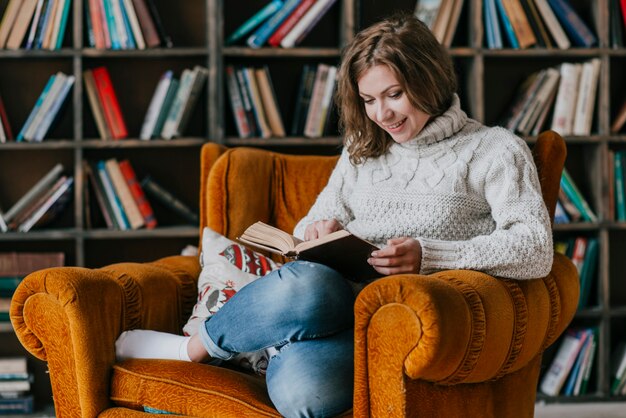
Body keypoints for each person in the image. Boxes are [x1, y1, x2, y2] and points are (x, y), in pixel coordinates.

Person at [115, 12, 553, 418]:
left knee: (302, 394)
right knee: (306, 284)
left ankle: (258, 344)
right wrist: (318, 231)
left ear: (429, 78)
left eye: (394, 94)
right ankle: (197, 348)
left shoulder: (495, 150)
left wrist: (428, 256)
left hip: (399, 327)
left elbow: (534, 248)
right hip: (329, 298)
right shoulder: (363, 151)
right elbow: (313, 221)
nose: (382, 114)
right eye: (368, 99)